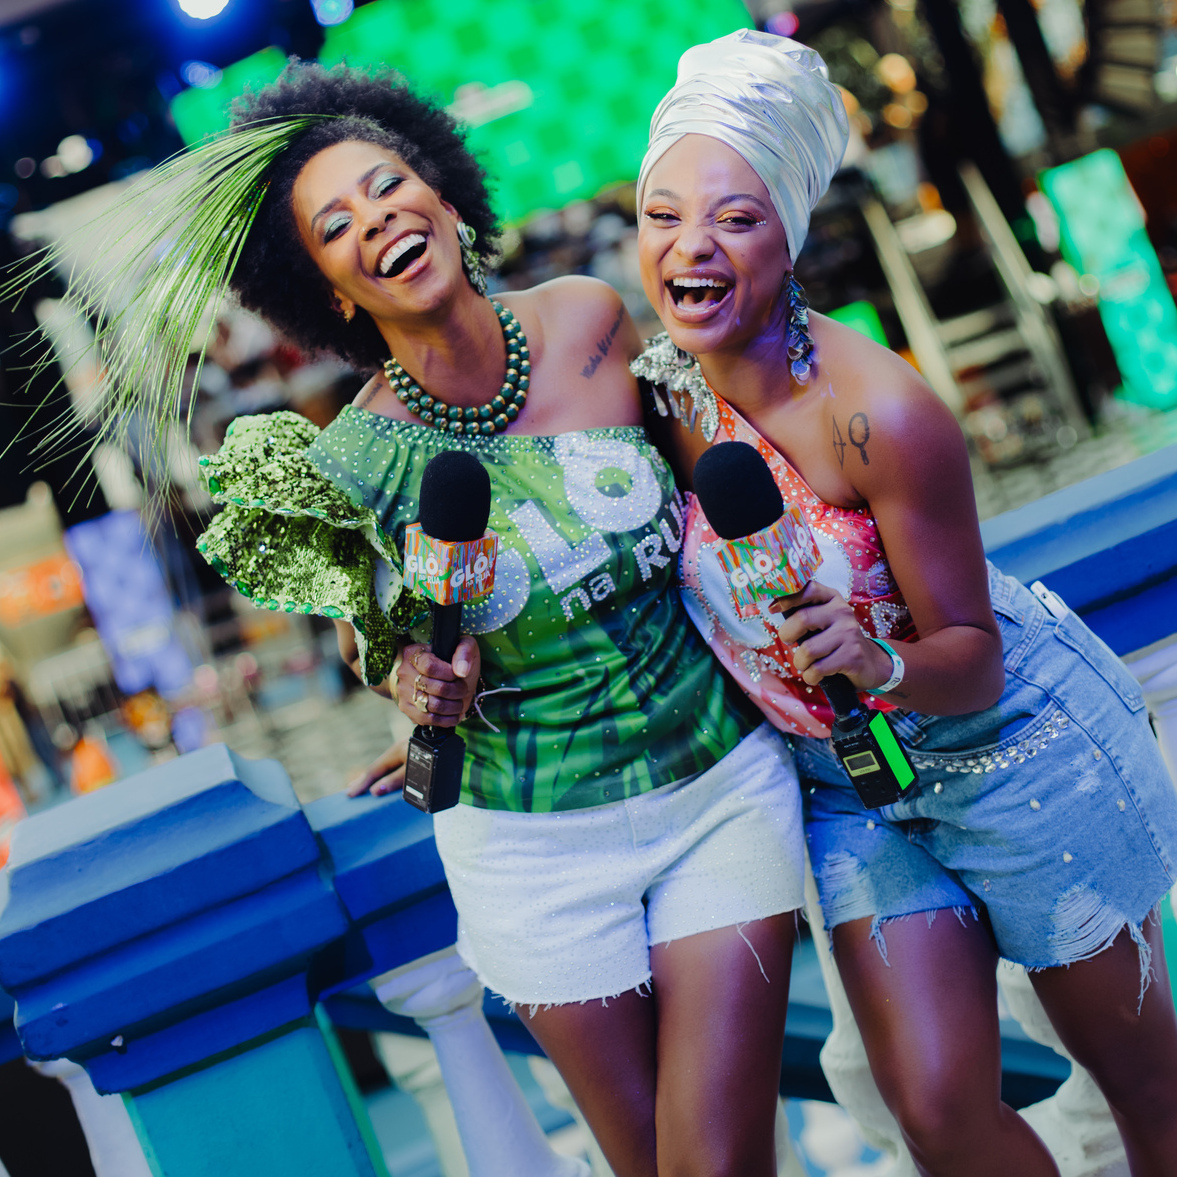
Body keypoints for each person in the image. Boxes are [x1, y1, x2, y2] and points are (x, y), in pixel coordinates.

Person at [12, 62, 812, 1177]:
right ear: (328, 289)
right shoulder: (351, 460)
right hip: (530, 844)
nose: (376, 218)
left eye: (389, 186)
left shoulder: (592, 320)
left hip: (716, 787)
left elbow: (732, 499)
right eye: (335, 225)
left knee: (716, 1161)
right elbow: (385, 647)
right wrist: (413, 689)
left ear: (441, 194)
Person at [628, 29, 1177, 1177]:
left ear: (789, 229)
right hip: (851, 790)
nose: (690, 247)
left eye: (733, 217)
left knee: (1145, 1086)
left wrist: (875, 662)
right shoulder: (652, 396)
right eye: (661, 213)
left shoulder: (882, 415)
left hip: (1014, 756)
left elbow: (971, 655)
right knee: (929, 1105)